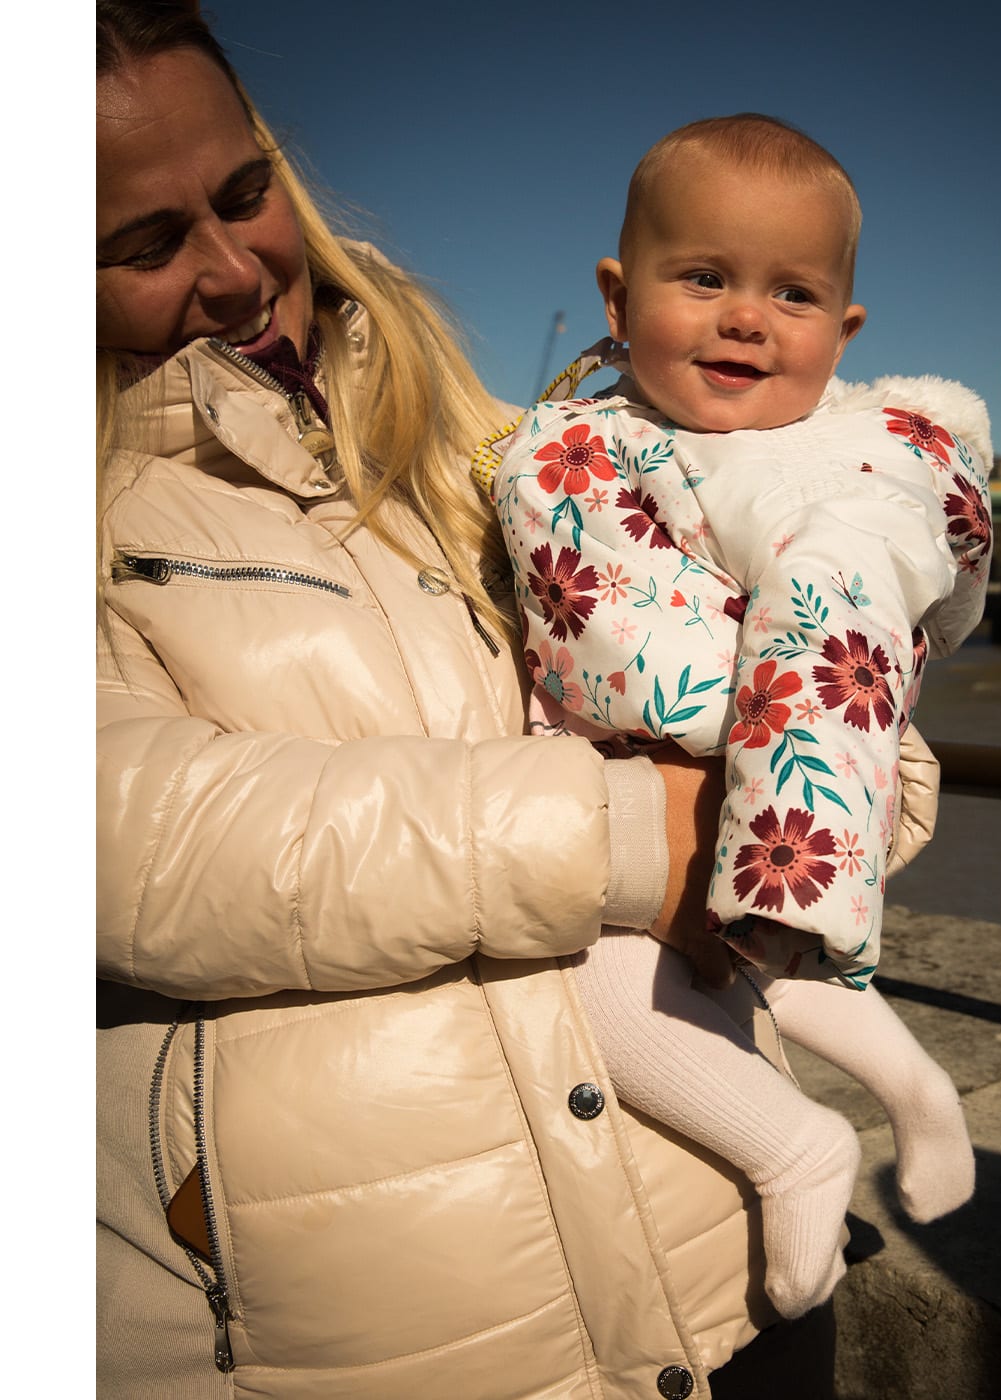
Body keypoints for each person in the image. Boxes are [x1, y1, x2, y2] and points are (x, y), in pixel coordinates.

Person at [94, 5, 923, 1392]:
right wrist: (639, 835)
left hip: (724, 1269)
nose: (237, 272)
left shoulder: (494, 442)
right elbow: (138, 845)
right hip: (381, 1337)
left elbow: (818, 697)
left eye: (247, 195)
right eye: (147, 243)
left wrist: (844, 757)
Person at [485, 113, 990, 1322]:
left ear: (843, 332)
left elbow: (832, 610)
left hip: (722, 776)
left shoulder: (814, 464)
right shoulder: (628, 444)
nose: (745, 317)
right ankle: (915, 1086)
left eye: (792, 293)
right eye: (703, 277)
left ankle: (795, 1147)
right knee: (797, 963)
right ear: (619, 292)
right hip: (712, 782)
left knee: (609, 990)